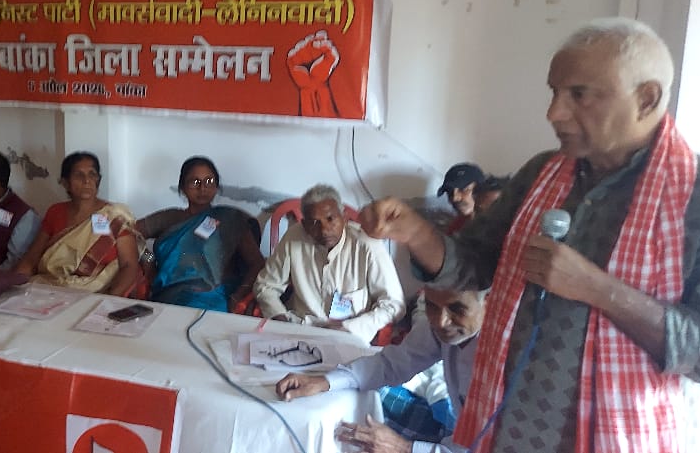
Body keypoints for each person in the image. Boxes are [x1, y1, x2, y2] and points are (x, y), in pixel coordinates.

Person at [359, 18, 700, 452]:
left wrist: (599, 290)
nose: (554, 113)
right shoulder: (542, 173)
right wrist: (417, 233)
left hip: (619, 437)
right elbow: (475, 265)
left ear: (646, 98)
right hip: (504, 427)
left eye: (579, 95)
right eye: (554, 92)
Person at [277, 288, 486, 453]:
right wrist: (325, 381)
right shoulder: (439, 327)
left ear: (489, 301)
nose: (441, 321)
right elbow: (393, 363)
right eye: (431, 306)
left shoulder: (499, 365)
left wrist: (403, 448)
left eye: (457, 309)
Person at [253, 184, 404, 343]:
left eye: (330, 219)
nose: (324, 230)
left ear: (344, 217)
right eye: (314, 222)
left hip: (349, 335)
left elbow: (394, 304)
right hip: (300, 329)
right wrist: (279, 317)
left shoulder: (367, 245)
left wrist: (350, 327)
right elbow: (266, 285)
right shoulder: (293, 239)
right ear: (304, 225)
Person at [135, 156, 265, 312]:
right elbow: (130, 233)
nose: (202, 188)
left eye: (209, 181)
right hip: (169, 296)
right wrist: (149, 260)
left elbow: (257, 262)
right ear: (183, 187)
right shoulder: (169, 218)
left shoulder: (230, 219)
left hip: (215, 298)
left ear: (216, 186)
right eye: (194, 182)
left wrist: (238, 295)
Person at [14, 152, 141, 295]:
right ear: (65, 182)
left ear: (98, 180)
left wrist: (110, 299)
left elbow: (129, 265)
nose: (86, 180)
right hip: (51, 288)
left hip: (98, 293)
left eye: (92, 174)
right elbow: (31, 258)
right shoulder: (55, 212)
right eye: (79, 175)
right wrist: (13, 286)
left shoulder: (114, 215)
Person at [437, 163, 485, 235]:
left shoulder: (498, 228)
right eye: (450, 192)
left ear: (480, 190)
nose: (455, 198)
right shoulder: (458, 224)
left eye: (463, 190)